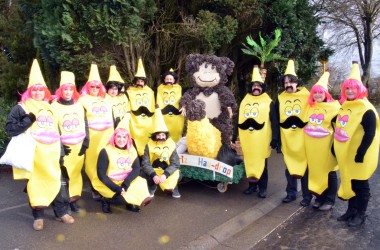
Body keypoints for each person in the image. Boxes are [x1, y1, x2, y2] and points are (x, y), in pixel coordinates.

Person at [5, 59, 74, 230]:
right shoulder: (22, 108)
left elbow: (57, 129)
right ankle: (38, 216)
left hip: (52, 155)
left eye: (40, 89)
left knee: (57, 182)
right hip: (34, 156)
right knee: (36, 185)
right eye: (34, 89)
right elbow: (10, 129)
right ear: (30, 91)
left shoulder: (50, 107)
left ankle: (61, 212)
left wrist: (62, 150)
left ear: (45, 91)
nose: (37, 92)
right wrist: (28, 120)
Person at [334, 62, 379, 226]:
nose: (350, 91)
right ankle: (351, 211)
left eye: (353, 88)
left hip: (360, 155)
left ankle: (361, 213)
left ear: (360, 89)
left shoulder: (366, 108)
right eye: (347, 88)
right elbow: (339, 128)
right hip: (347, 154)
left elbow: (370, 133)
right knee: (349, 181)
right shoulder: (345, 106)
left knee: (361, 183)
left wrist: (361, 152)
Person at [232, 65, 279, 198]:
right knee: (249, 162)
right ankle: (252, 186)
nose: (256, 88)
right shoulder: (245, 100)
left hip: (262, 140)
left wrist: (274, 138)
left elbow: (274, 122)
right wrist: (234, 135)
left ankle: (262, 188)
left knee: (262, 164)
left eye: (258, 85)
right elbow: (239, 119)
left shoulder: (268, 101)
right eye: (254, 86)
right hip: (248, 140)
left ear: (262, 87)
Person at [51, 71, 89, 213]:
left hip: (78, 147)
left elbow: (85, 123)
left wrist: (86, 143)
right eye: (65, 89)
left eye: (70, 89)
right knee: (64, 175)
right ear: (60, 90)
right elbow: (53, 127)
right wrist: (60, 147)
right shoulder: (54, 106)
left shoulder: (79, 105)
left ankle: (74, 200)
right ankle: (63, 202)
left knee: (76, 174)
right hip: (64, 148)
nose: (68, 92)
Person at [276, 59, 312, 206]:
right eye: (285, 83)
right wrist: (277, 140)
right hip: (287, 140)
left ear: (297, 83)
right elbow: (276, 118)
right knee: (289, 168)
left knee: (304, 169)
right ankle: (291, 193)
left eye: (290, 82)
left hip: (303, 140)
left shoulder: (307, 97)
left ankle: (307, 196)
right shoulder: (280, 98)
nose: (288, 85)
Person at [303, 71, 340, 211]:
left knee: (329, 172)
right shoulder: (311, 107)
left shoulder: (334, 108)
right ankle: (319, 196)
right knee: (316, 172)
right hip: (313, 148)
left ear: (326, 93)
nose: (317, 95)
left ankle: (330, 199)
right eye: (315, 93)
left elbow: (340, 126)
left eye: (320, 92)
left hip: (327, 147)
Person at [78, 62, 114, 199]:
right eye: (92, 86)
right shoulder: (82, 100)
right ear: (88, 87)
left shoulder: (106, 100)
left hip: (107, 136)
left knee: (106, 161)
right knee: (92, 162)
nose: (94, 88)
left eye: (97, 86)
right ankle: (95, 187)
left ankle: (106, 185)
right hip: (92, 138)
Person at [95, 128, 152, 213]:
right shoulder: (105, 151)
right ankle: (106, 200)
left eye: (124, 137)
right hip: (110, 182)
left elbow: (136, 169)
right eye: (118, 136)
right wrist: (117, 189)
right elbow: (101, 175)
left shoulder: (132, 150)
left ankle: (131, 202)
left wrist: (126, 184)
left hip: (125, 180)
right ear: (114, 137)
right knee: (120, 200)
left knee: (142, 182)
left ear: (128, 138)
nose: (121, 140)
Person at [141, 106, 181, 198]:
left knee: (179, 174)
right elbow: (145, 163)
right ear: (155, 135)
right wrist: (154, 175)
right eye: (158, 135)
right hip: (154, 169)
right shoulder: (149, 145)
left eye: (163, 135)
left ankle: (173, 187)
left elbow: (175, 164)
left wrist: (165, 175)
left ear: (166, 135)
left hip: (166, 170)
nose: (161, 137)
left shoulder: (171, 144)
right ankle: (152, 186)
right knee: (143, 174)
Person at [126, 58, 155, 156]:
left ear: (144, 82)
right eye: (138, 81)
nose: (139, 83)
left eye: (142, 81)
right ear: (135, 82)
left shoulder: (150, 92)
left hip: (147, 123)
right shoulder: (130, 92)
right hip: (135, 123)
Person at [156, 69, 184, 143]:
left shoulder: (179, 88)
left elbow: (185, 97)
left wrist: (184, 106)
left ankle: (177, 147)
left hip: (176, 117)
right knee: (164, 131)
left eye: (170, 79)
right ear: (164, 80)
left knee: (177, 132)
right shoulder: (159, 88)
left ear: (174, 80)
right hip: (164, 116)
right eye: (167, 79)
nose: (169, 80)